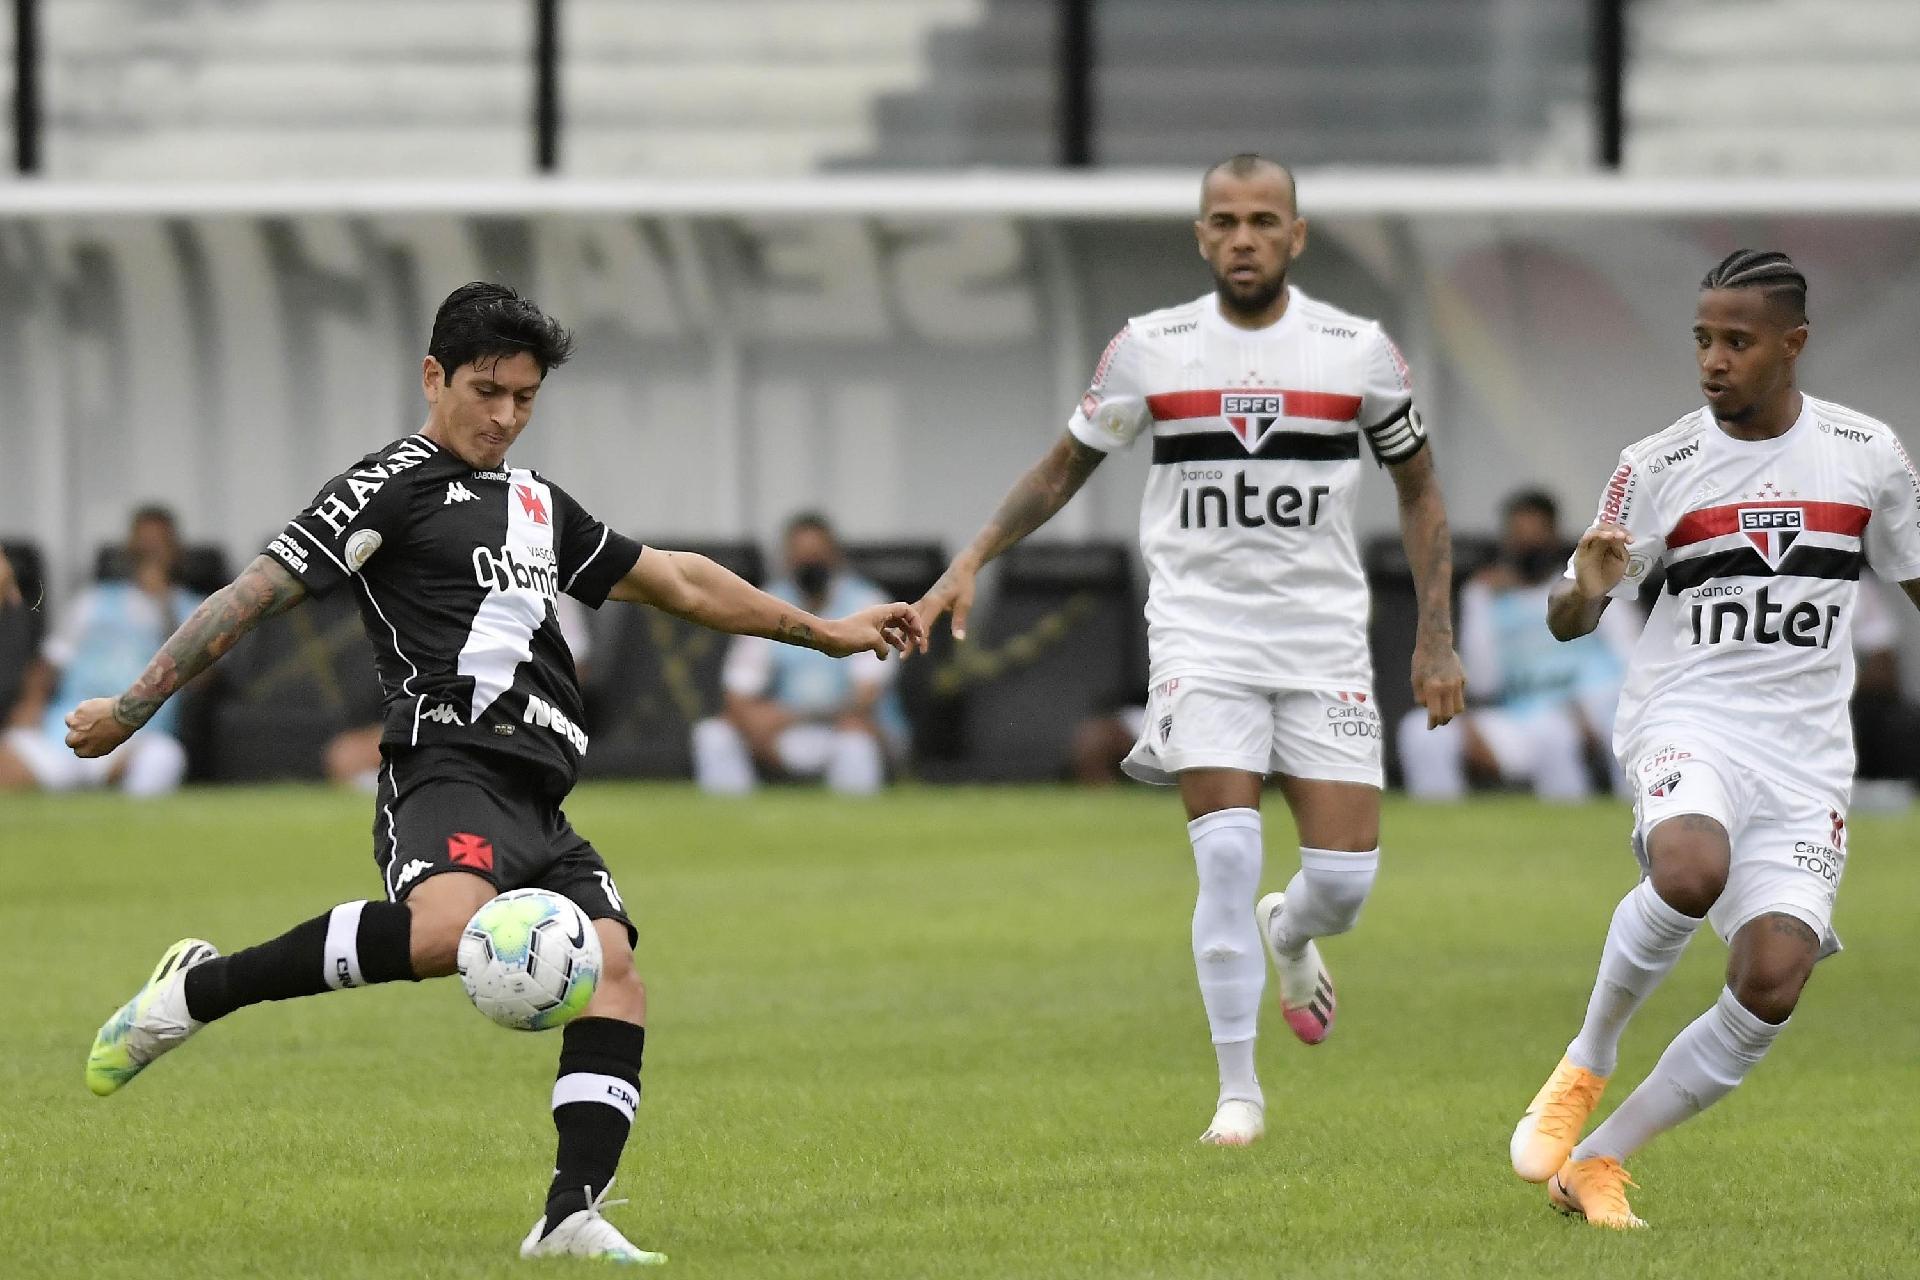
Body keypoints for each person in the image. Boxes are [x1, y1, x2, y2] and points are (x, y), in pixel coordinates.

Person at [66, 282, 922, 1264]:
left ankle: (570, 1214)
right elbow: (253, 593)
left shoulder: (535, 503)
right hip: (446, 765)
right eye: (486, 390)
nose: (505, 415)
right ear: (433, 376)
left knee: (615, 971)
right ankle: (193, 992)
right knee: (441, 931)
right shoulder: (389, 483)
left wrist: (825, 634)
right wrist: (132, 706)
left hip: (539, 797)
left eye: (524, 397)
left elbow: (676, 578)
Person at [912, 154, 1465, 1147]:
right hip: (1201, 634)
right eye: (1224, 220)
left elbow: (1419, 487)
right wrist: (971, 559)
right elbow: (1061, 468)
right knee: (1226, 853)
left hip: (1323, 640)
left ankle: (1290, 930)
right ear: (1201, 236)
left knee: (1342, 884)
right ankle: (1238, 1094)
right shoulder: (1151, 349)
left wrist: (1435, 637)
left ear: (1296, 236)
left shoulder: (1357, 351)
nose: (1243, 236)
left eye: (1263, 220)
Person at [1509, 251, 1920, 1229]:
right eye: (1703, 337)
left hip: (1806, 757)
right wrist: (1589, 585)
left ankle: (1599, 1161)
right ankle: (1588, 1057)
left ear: (1794, 343)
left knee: (1772, 978)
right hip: (1688, 719)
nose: (1714, 358)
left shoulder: (1868, 454)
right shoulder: (1658, 465)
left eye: (1737, 339)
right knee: (1690, 869)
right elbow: (1566, 613)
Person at [1398, 489, 1634, 801]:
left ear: (1554, 538)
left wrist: (1589, 708)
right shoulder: (1487, 595)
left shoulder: (1587, 583)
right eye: (1518, 536)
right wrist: (1481, 604)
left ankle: (1585, 822)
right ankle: (1442, 835)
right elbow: (1484, 682)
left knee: (1555, 730)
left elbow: (1634, 659)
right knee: (1421, 731)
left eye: (1536, 536)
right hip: (1521, 716)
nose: (1528, 545)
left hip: (1596, 709)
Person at [692, 513, 909, 796]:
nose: (810, 565)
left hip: (845, 731)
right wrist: (757, 725)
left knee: (855, 741)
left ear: (835, 557)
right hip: (781, 736)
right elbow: (737, 690)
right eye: (801, 556)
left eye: (817, 555)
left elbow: (864, 697)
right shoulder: (766, 605)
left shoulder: (869, 605)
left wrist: (789, 716)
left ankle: (855, 832)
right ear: (786, 560)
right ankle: (734, 828)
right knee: (714, 734)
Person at [0, 506, 201, 797]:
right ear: (129, 550)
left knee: (165, 759)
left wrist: (163, 605)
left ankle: (128, 829)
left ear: (177, 551)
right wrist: (31, 705)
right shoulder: (92, 602)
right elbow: (49, 663)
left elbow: (201, 679)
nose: (150, 552)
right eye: (143, 544)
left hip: (135, 735)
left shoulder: (194, 609)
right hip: (66, 729)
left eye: (158, 545)